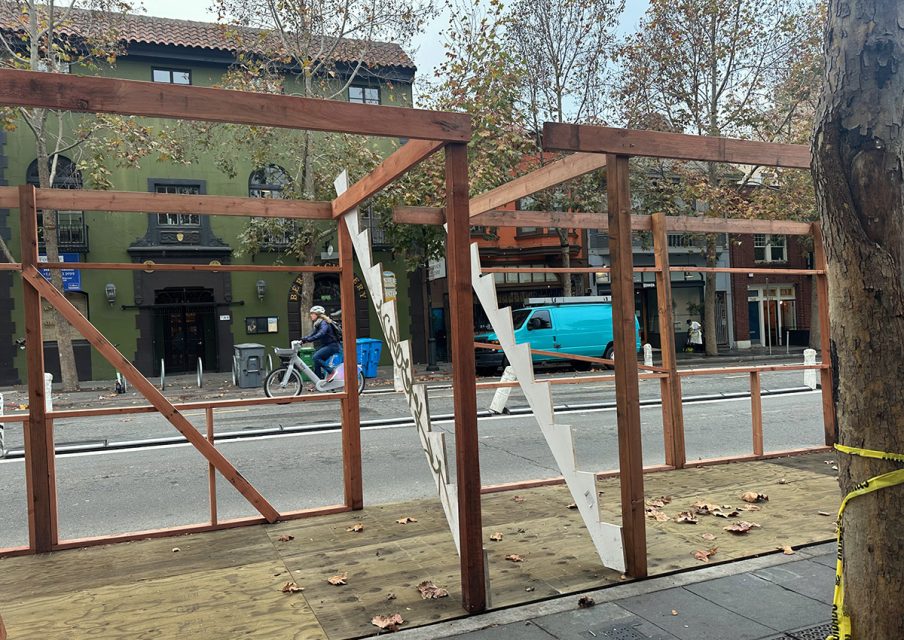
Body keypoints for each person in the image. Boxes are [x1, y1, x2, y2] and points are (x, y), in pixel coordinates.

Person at [300, 305, 340, 379]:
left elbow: (321, 333)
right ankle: (318, 382)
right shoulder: (318, 323)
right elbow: (312, 334)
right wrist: (303, 340)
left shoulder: (324, 323)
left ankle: (331, 371)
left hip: (332, 346)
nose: (311, 315)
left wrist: (308, 339)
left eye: (312, 313)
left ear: (317, 314)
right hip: (327, 345)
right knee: (317, 362)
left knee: (316, 357)